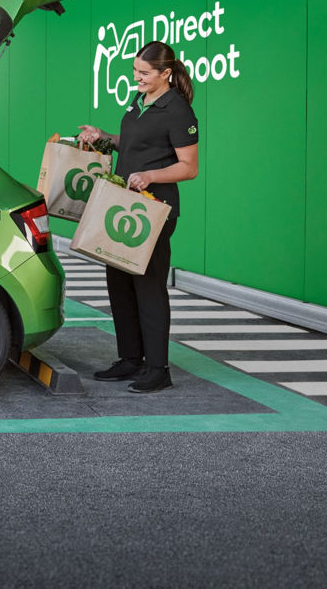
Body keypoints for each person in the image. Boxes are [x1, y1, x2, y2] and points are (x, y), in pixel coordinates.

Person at [78, 40, 199, 394]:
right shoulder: (140, 101)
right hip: (124, 207)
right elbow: (133, 144)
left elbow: (189, 168)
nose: (137, 78)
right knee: (119, 283)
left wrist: (150, 176)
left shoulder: (178, 110)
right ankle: (130, 358)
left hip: (154, 210)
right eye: (134, 71)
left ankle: (158, 368)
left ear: (166, 73)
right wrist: (104, 138)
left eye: (144, 73)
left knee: (149, 287)